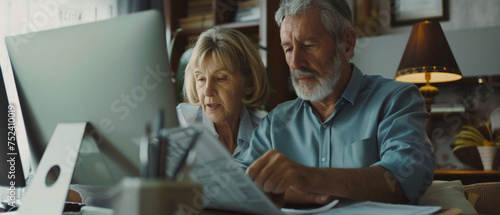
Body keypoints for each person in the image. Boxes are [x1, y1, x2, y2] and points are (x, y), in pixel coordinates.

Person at [236, 0, 435, 207]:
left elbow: (405, 176)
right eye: (288, 49)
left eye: (308, 46)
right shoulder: (276, 120)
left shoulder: (396, 99)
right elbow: (238, 182)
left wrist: (310, 178)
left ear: (347, 43)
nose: (296, 62)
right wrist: (307, 195)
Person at [177, 27, 270, 159]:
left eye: (221, 78)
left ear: (249, 84)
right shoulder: (180, 125)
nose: (208, 91)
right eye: (201, 79)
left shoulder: (267, 131)